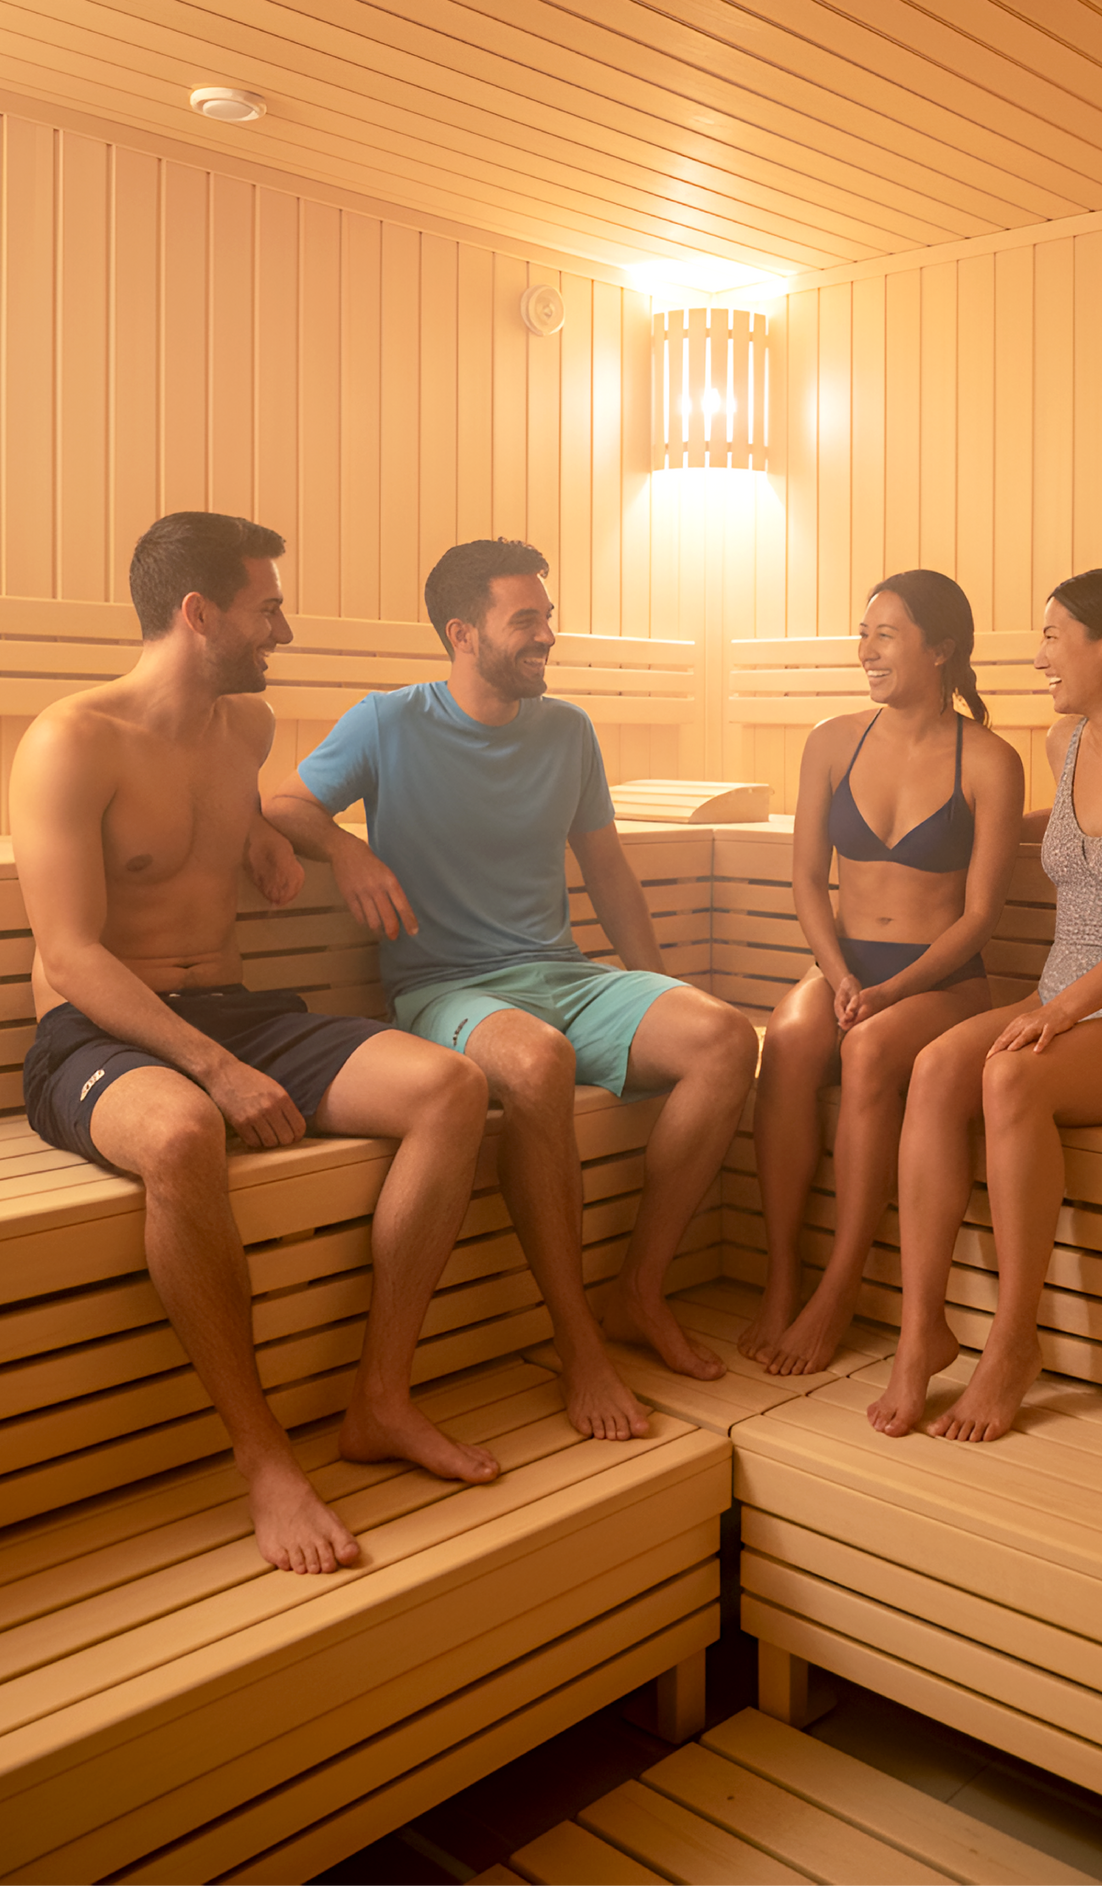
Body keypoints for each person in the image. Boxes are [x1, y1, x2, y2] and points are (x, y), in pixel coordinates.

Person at [9, 511, 498, 1578]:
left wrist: (267, 841)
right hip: (97, 1030)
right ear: (198, 614)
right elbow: (75, 953)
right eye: (265, 605)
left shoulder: (249, 729)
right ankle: (264, 1458)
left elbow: (217, 826)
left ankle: (380, 1398)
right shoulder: (71, 740)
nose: (283, 626)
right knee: (184, 1137)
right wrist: (216, 1068)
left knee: (451, 1088)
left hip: (233, 1003)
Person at [266, 538, 759, 1443]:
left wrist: (656, 982)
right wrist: (347, 848)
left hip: (563, 974)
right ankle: (577, 1341)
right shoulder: (387, 724)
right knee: (538, 1062)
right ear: (463, 633)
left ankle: (637, 1292)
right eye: (525, 620)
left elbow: (605, 867)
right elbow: (284, 805)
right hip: (445, 988)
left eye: (547, 617)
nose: (546, 637)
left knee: (727, 1039)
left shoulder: (566, 731)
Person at [867, 568, 1102, 1444]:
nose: (1038, 658)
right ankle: (922, 1330)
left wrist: (1064, 1011)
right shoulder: (1060, 744)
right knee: (934, 1068)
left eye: (1050, 637)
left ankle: (1012, 1345)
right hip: (1060, 1001)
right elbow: (1020, 831)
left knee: (1009, 1080)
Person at [741, 572, 1023, 1376]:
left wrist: (890, 994)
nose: (866, 650)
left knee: (865, 1051)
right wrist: (836, 975)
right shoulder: (833, 740)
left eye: (887, 634)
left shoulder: (991, 761)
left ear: (941, 649)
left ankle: (837, 1290)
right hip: (845, 964)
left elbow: (980, 918)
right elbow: (805, 881)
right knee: (790, 1041)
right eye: (863, 633)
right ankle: (781, 1274)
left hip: (941, 980)